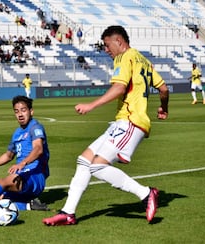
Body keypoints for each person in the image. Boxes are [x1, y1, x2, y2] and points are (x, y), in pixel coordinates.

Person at [42, 25, 169, 226]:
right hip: (123, 121)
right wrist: (163, 108)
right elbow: (163, 88)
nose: (106, 50)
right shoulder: (143, 60)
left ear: (119, 41)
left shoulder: (124, 57)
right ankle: (68, 213)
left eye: (107, 45)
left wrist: (91, 105)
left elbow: (119, 87)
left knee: (98, 166)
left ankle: (146, 193)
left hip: (131, 122)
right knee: (84, 160)